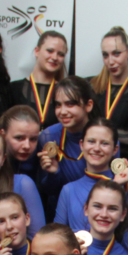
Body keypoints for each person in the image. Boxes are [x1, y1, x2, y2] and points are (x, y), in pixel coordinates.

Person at [55, 118, 128, 231]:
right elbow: (58, 236)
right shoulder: (69, 190)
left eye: (104, 143)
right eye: (91, 141)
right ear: (81, 145)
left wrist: (117, 186)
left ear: (115, 149)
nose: (96, 148)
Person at [90, 27, 128, 169]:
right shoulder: (91, 87)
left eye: (116, 54)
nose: (111, 61)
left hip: (122, 168)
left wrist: (93, 135)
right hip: (91, 163)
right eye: (105, 55)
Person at [38, 77, 97, 211]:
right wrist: (53, 173)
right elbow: (48, 191)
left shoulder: (105, 135)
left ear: (88, 105)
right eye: (58, 105)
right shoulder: (48, 136)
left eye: (70, 104)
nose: (63, 111)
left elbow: (110, 181)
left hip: (97, 209)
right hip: (61, 210)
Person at [9, 31, 68, 128]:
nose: (54, 57)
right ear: (37, 51)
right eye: (50, 51)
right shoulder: (13, 88)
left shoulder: (66, 91)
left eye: (61, 54)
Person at [0, 105, 42, 179]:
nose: (27, 146)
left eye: (33, 139)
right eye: (19, 138)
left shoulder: (40, 160)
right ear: (3, 135)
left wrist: (52, 174)